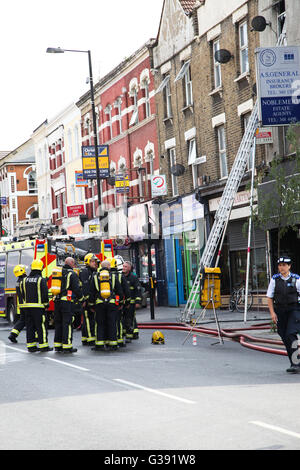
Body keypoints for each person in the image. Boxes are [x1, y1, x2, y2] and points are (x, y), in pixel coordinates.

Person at [267, 255, 300, 373]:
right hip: (280, 310)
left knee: (291, 334)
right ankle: (293, 363)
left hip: (294, 310)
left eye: (284, 265)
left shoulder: (296, 279)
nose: (282, 268)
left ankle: (297, 363)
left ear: (289, 266)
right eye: (280, 265)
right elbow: (269, 297)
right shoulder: (275, 279)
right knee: (284, 336)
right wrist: (272, 313)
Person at [89, 259, 124, 351]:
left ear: (101, 267)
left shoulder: (95, 276)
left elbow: (91, 292)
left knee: (100, 324)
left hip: (99, 304)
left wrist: (91, 305)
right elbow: (119, 291)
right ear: (109, 267)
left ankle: (99, 344)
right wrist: (120, 303)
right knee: (112, 323)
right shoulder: (113, 276)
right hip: (112, 303)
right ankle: (113, 344)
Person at [54, 257, 84, 353]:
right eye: (74, 263)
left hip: (57, 301)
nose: (74, 265)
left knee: (58, 323)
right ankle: (67, 346)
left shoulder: (58, 272)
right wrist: (82, 299)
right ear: (71, 263)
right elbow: (76, 288)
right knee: (67, 323)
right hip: (67, 302)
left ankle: (58, 345)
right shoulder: (72, 274)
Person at [22, 259, 52, 352]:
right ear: (40, 268)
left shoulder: (24, 280)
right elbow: (44, 294)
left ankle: (31, 346)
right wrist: (46, 305)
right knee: (41, 326)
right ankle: (44, 346)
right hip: (38, 308)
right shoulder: (41, 280)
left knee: (30, 327)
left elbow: (23, 294)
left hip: (27, 307)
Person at [109, 257, 130, 347]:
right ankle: (120, 340)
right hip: (118, 303)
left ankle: (110, 340)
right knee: (118, 321)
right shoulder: (120, 276)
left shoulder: (104, 275)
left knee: (110, 322)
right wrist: (125, 303)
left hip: (107, 304)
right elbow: (126, 291)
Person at [79, 253, 98, 346]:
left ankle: (85, 338)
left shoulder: (92, 271)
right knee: (89, 320)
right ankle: (90, 339)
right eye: (93, 261)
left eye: (95, 261)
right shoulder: (85, 272)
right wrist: (87, 301)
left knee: (88, 319)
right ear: (87, 262)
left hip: (90, 300)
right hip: (87, 301)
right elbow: (86, 287)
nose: (95, 263)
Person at [122, 261, 142, 342]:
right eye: (123, 266)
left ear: (129, 268)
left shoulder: (133, 277)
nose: (123, 268)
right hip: (122, 303)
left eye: (125, 266)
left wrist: (138, 302)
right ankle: (125, 332)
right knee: (123, 318)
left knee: (130, 319)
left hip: (131, 303)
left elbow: (138, 290)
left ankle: (131, 334)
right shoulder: (121, 276)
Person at [8, 265, 28, 343]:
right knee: (32, 320)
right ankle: (36, 337)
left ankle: (13, 334)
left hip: (21, 304)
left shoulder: (18, 282)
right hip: (27, 304)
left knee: (22, 320)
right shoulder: (24, 281)